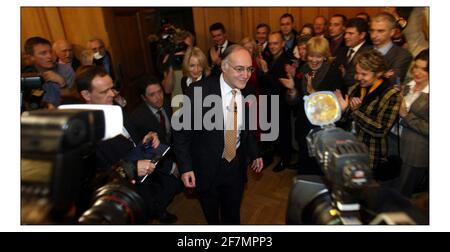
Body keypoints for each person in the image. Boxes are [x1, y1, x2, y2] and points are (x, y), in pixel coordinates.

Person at [173, 45, 263, 224]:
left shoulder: (248, 91)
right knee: (212, 217)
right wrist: (186, 167)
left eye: (249, 69)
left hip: (235, 166)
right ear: (224, 66)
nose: (246, 75)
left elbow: (246, 129)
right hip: (207, 168)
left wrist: (255, 153)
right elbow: (181, 133)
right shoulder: (199, 92)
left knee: (233, 216)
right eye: (240, 69)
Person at [75, 65, 177, 223]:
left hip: (142, 185)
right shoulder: (82, 132)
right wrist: (131, 168)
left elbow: (132, 138)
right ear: (86, 94)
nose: (113, 94)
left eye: (112, 88)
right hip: (120, 201)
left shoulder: (116, 108)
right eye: (104, 91)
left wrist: (148, 137)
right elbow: (90, 183)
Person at [336, 50, 401, 171]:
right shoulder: (355, 88)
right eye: (357, 73)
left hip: (370, 154)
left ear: (379, 73)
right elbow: (344, 120)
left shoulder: (390, 95)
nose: (358, 77)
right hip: (349, 149)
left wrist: (355, 111)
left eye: (364, 74)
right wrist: (342, 109)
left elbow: (380, 129)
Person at [397, 49, 429, 197]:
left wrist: (406, 116)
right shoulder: (408, 85)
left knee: (404, 194)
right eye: (416, 67)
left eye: (424, 69)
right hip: (396, 144)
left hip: (415, 153)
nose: (417, 72)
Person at [22, 36, 74, 110]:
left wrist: (62, 83)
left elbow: (73, 102)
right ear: (31, 57)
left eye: (50, 52)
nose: (49, 56)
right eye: (43, 53)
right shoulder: (27, 76)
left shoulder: (65, 69)